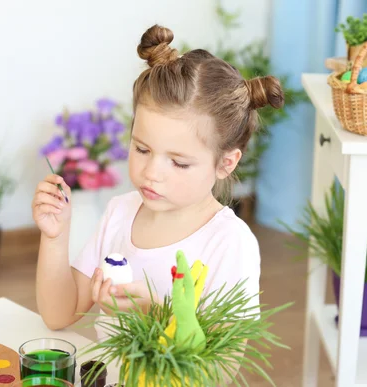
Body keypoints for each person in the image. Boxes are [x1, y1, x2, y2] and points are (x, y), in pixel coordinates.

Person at [32, 24, 284, 342]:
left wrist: (154, 315)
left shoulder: (229, 243)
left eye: (178, 162)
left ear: (226, 163)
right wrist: (55, 237)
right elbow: (58, 314)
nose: (151, 172)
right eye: (141, 149)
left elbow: (221, 369)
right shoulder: (120, 212)